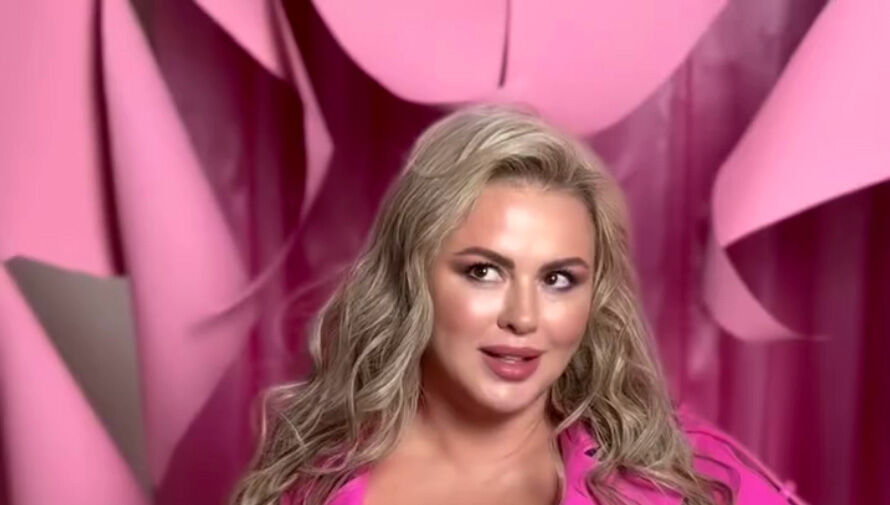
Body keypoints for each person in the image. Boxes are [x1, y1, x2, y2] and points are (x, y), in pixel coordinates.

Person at [230, 105, 803, 505]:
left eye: (558, 279)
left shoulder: (687, 479)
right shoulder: (309, 483)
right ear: (413, 276)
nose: (524, 317)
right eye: (484, 272)